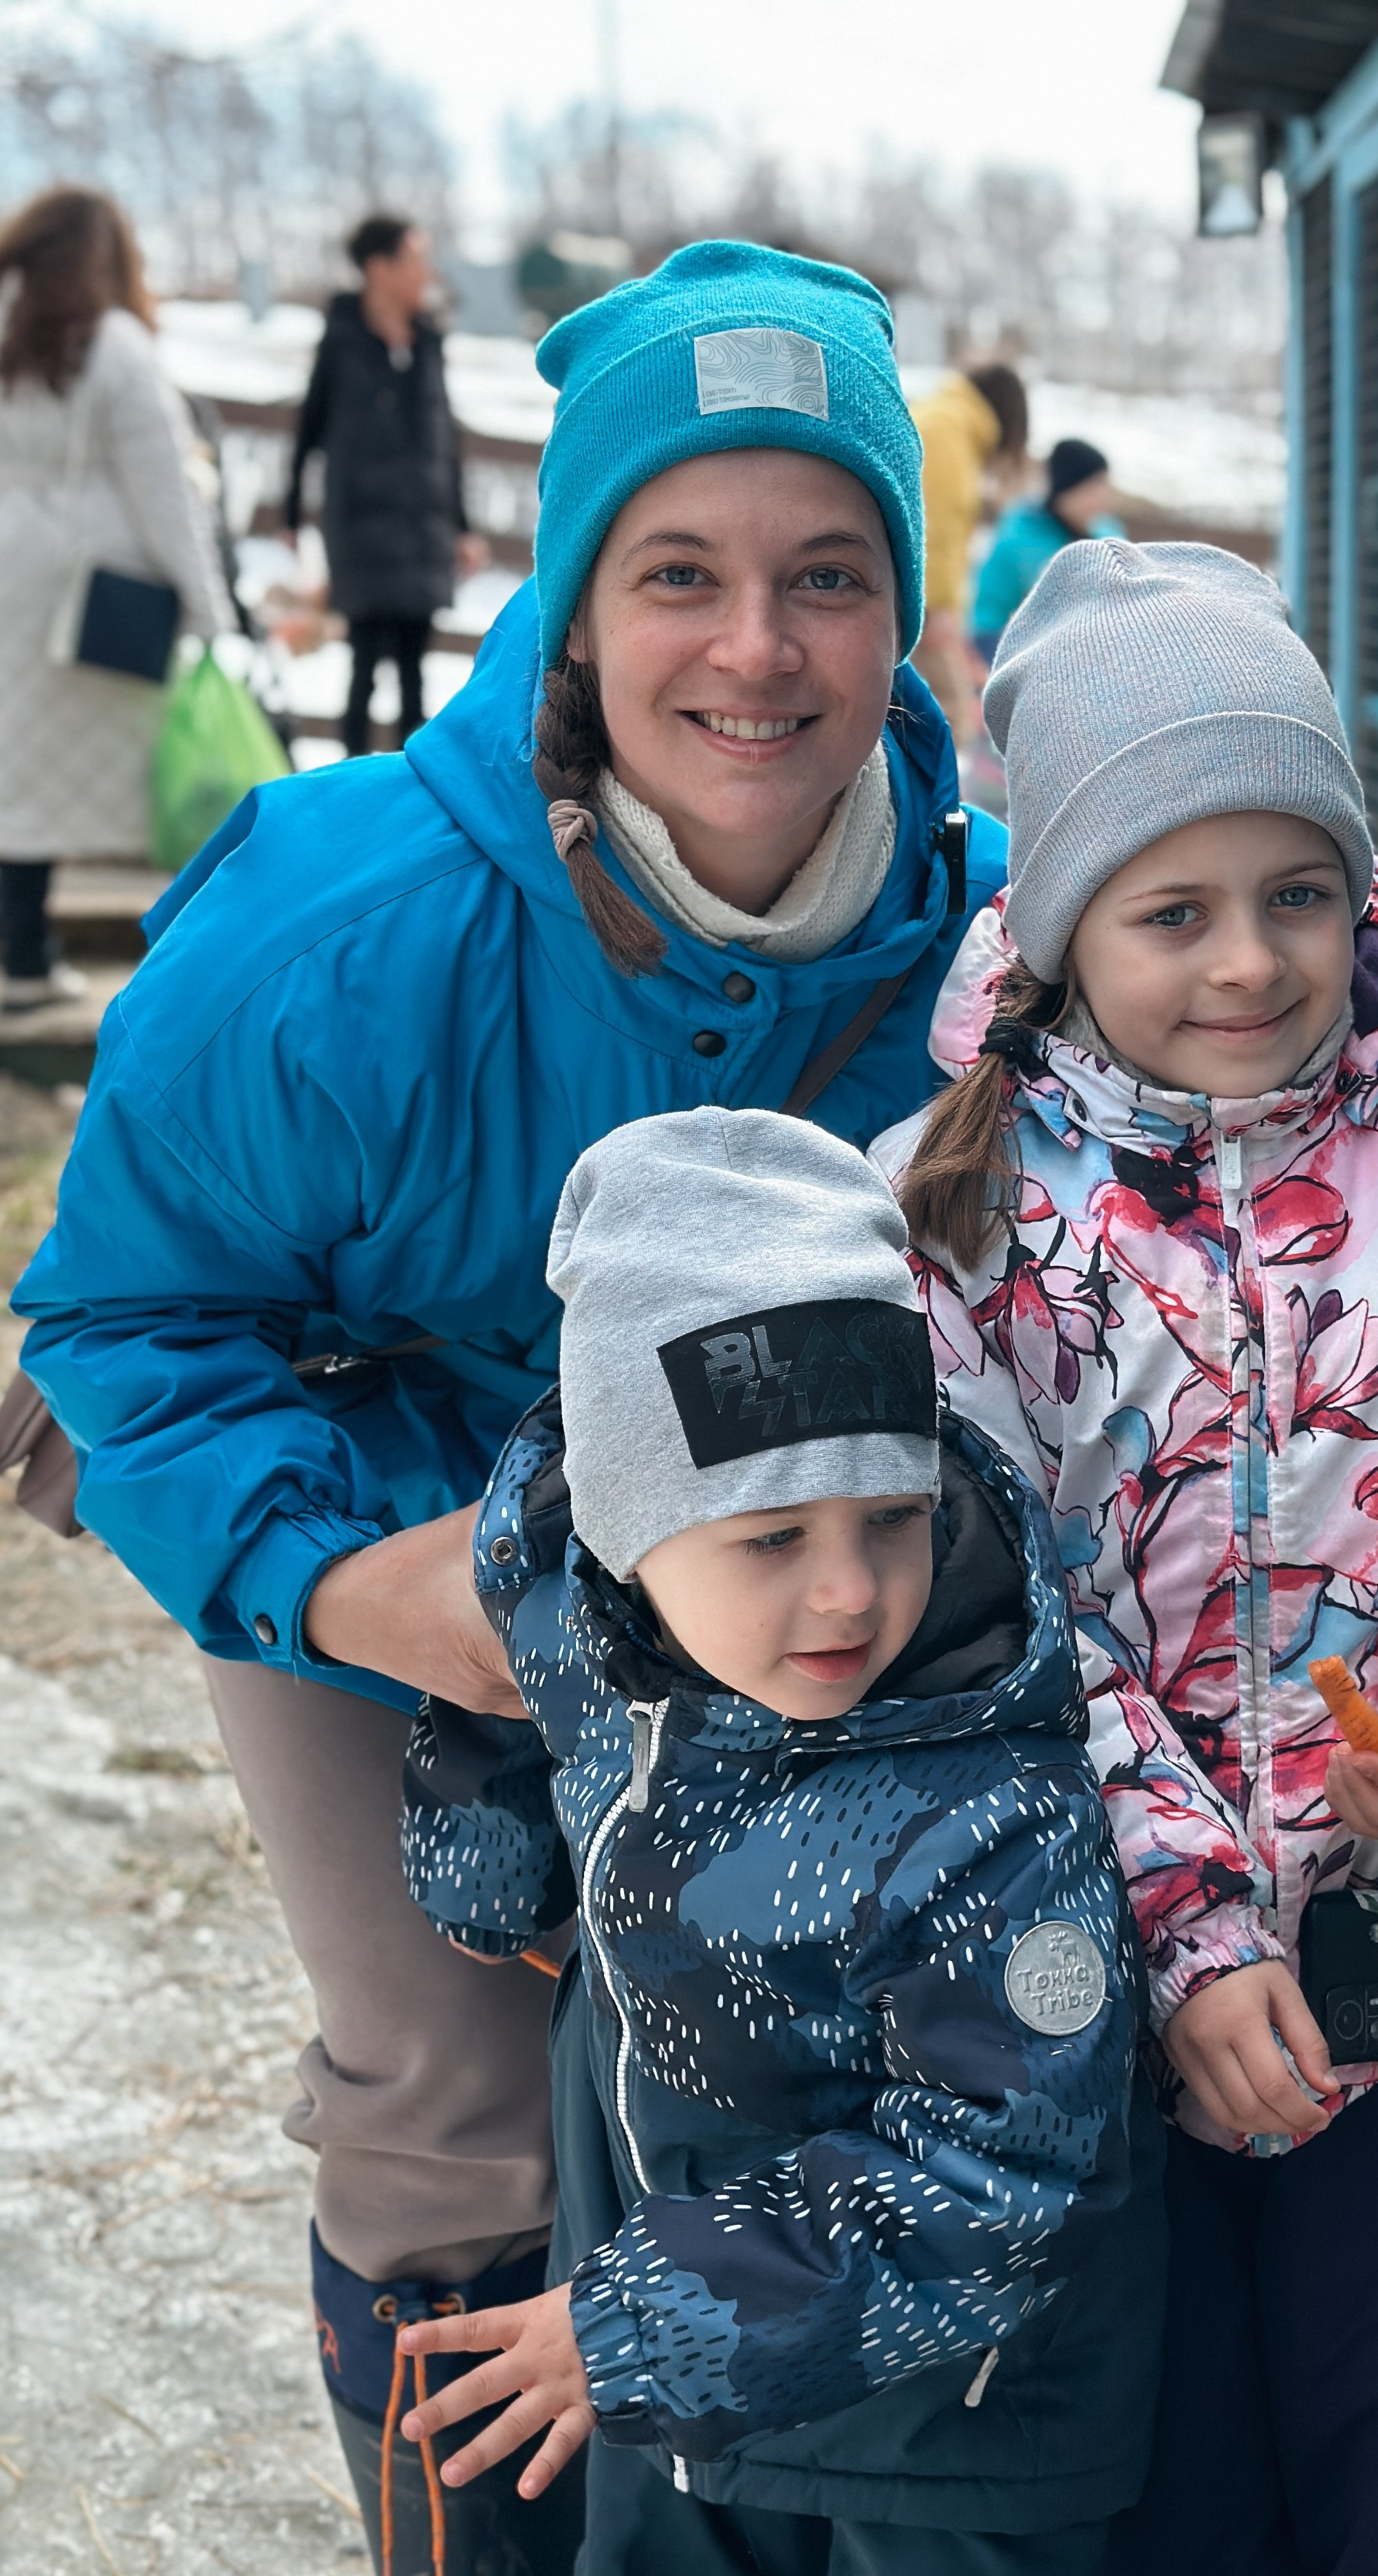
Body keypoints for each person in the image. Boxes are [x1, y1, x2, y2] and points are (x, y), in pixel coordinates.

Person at [13, 239, 1006, 2574]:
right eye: (678, 571)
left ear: (897, 620)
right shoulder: (340, 928)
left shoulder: (987, 966)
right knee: (464, 2086)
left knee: (813, 2071)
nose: (754, 650)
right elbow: (124, 1318)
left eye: (826, 578)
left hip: (783, 1570)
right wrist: (364, 1583)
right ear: (571, 603)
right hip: (374, 1504)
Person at [876, 539, 1378, 2575]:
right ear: (1064, 929)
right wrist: (1185, 1934)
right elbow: (984, 1625)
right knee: (1167, 2505)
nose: (1245, 960)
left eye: (1294, 894)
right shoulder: (959, 1215)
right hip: (1090, 2027)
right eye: (1172, 909)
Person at [392, 1105, 1164, 2570]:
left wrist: (640, 2331)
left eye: (890, 1516)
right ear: (625, 1527)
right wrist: (487, 1862)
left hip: (942, 2438)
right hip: (677, 2365)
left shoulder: (986, 1809)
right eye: (770, 1539)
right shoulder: (576, 1574)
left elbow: (1015, 2173)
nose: (847, 1596)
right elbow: (520, 1679)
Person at [0, 187, 230, 1010]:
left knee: (16, 768)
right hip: (98, 586)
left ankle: (21, 952)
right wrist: (211, 611)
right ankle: (187, 975)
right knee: (161, 774)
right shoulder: (115, 345)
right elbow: (163, 490)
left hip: (11, 575)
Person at [284, 213, 481, 758]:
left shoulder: (428, 341)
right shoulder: (342, 340)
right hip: (362, 527)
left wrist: (462, 527)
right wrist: (290, 512)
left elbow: (447, 437)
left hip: (422, 526)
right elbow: (309, 429)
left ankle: (412, 795)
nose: (424, 271)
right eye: (414, 258)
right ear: (380, 267)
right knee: (363, 668)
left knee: (417, 673)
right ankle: (352, 789)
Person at [907, 363, 1026, 746]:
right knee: (952, 715)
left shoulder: (947, 419)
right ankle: (935, 806)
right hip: (923, 601)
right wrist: (939, 606)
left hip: (920, 595)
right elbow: (935, 525)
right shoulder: (948, 432)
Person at [970, 438, 1122, 664]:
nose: (1103, 497)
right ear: (1068, 489)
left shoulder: (1108, 535)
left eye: (1105, 485)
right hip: (1027, 659)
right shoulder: (1017, 541)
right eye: (1093, 486)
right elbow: (987, 617)